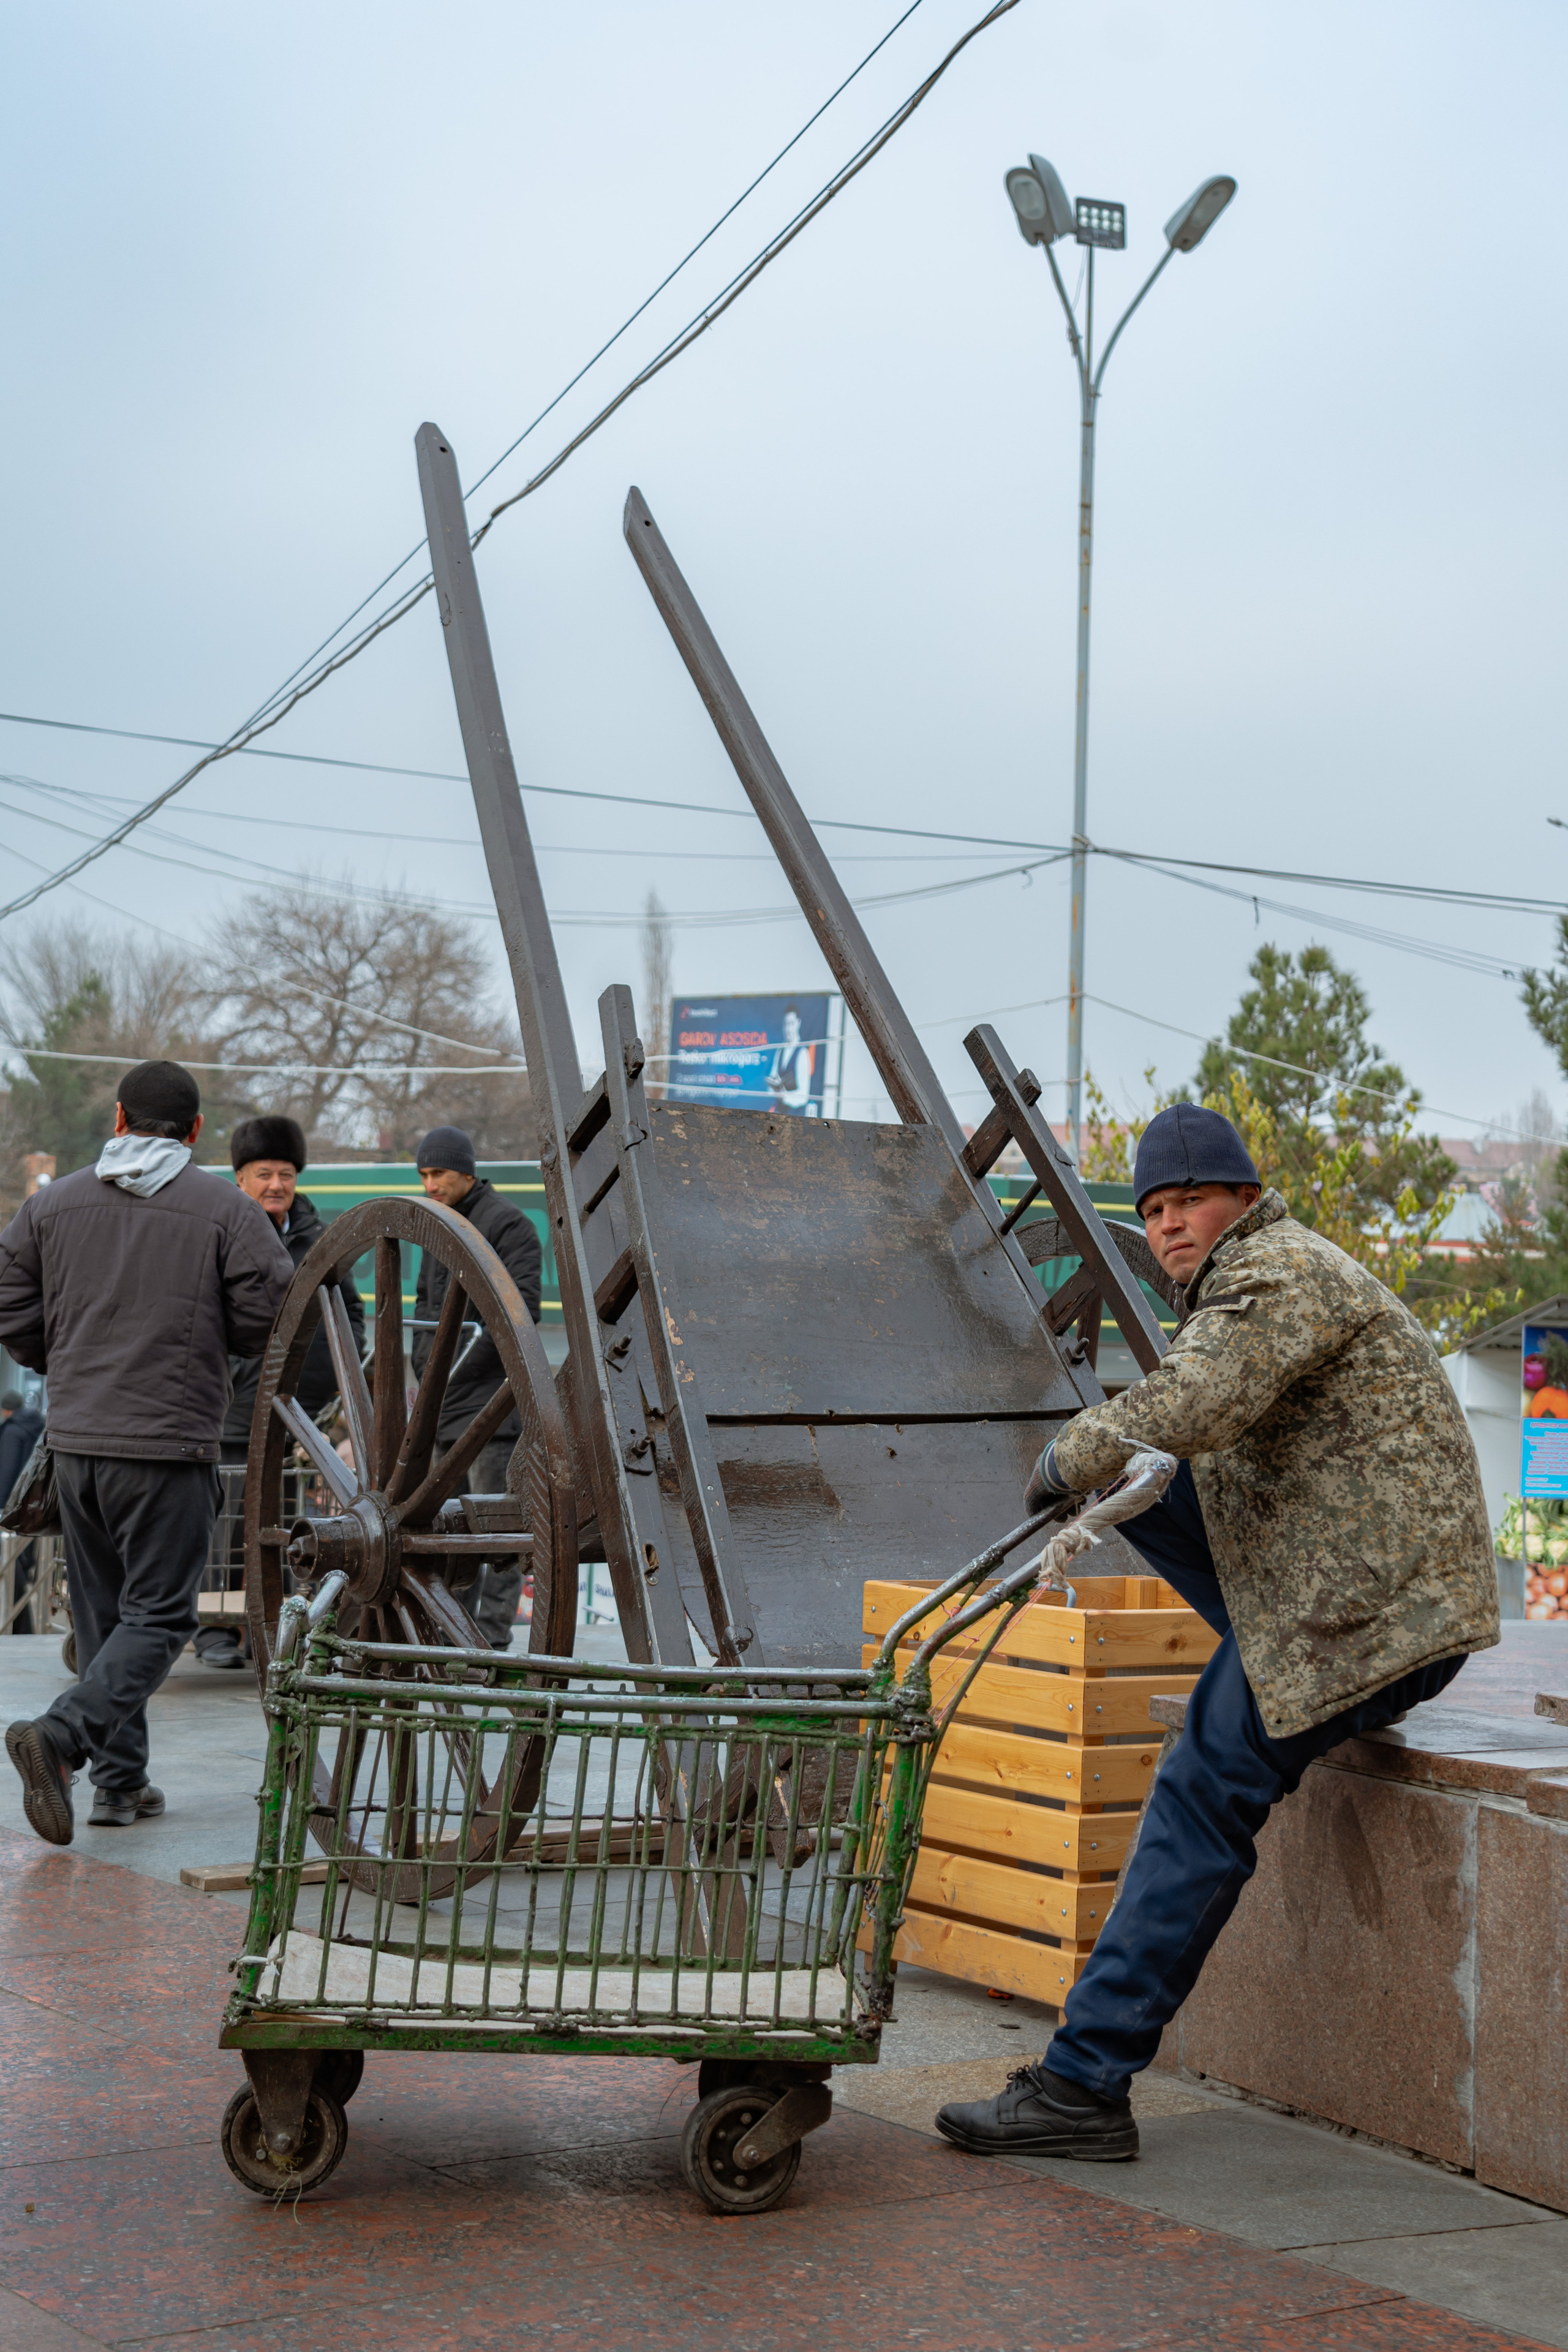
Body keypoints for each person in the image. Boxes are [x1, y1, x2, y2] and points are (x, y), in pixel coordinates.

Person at [936, 1101, 1499, 2163]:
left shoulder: (1275, 1269)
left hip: (1373, 1610)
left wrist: (1073, 1450)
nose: (1171, 1226)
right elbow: (1195, 1428)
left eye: (1192, 1200)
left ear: (1243, 1199)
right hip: (1350, 1589)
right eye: (1153, 1209)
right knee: (1155, 1487)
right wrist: (1100, 1472)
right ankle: (1251, 1659)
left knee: (1204, 1778)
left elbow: (1198, 1397)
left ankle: (1082, 2084)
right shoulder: (1245, 1285)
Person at [0, 1060, 292, 1843]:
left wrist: (61, 1359)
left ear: (121, 1116)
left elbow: (8, 1301)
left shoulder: (51, 1205)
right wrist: (205, 1347)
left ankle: (118, 1787)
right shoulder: (225, 1210)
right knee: (161, 1618)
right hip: (168, 1443)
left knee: (103, 1615)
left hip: (76, 1445)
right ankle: (62, 1738)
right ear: (196, 1132)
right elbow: (271, 1310)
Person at [196, 1115, 366, 1671]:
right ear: (240, 1177)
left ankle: (275, 1626)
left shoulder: (318, 1237)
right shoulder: (218, 1228)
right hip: (233, 1407)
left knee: (287, 1528)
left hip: (302, 1414)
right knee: (225, 1528)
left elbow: (351, 1312)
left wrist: (346, 1375)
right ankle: (216, 1631)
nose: (276, 1185)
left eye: (286, 1174)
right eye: (264, 1173)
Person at [412, 1125, 542, 1649]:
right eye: (423, 1175)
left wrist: (448, 1374)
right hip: (443, 1405)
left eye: (438, 1173)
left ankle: (489, 1635)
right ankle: (454, 1631)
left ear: (466, 1171)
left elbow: (519, 1318)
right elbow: (424, 1306)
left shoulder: (510, 1226)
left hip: (492, 1410)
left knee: (499, 1531)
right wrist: (428, 1371)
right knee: (453, 1532)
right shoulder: (439, 1222)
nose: (430, 1185)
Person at [0, 1387, 47, 1636]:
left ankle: (19, 1627)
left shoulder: (12, 1431)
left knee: (12, 1567)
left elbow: (6, 1472)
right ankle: (24, 1624)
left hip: (14, 1507)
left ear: (7, 1410)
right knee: (25, 1564)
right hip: (38, 1505)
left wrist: (2, 1508)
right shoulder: (39, 1426)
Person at [0, 1387, 45, 1505]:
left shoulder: (12, 1431)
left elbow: (8, 1468)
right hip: (34, 1490)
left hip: (15, 1494)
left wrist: (2, 1500)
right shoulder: (36, 1424)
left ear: (6, 1410)